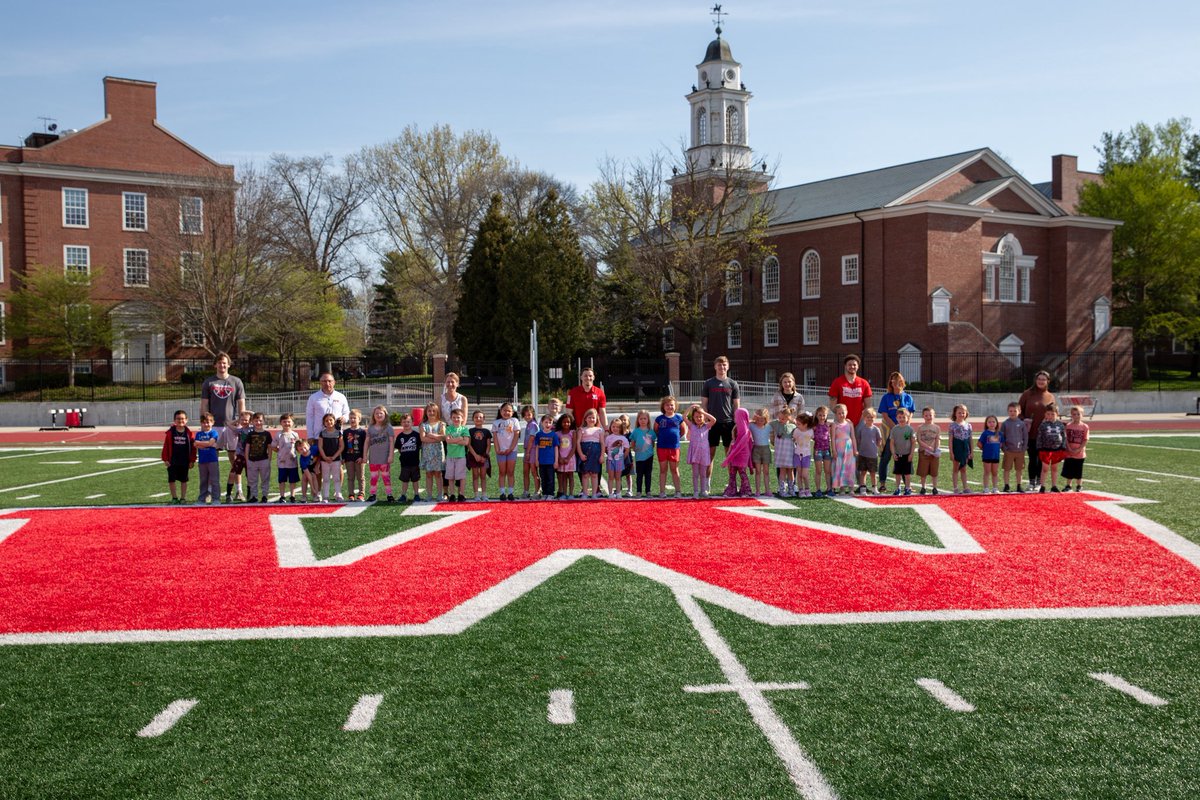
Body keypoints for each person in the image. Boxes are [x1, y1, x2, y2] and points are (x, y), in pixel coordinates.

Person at [701, 355, 741, 483]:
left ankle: (732, 483)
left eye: (724, 365)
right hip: (712, 424)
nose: (722, 367)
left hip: (728, 424)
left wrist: (737, 423)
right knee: (710, 454)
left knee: (729, 455)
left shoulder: (733, 384)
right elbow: (704, 404)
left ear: (728, 366)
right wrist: (705, 420)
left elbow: (736, 405)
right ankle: (707, 484)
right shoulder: (708, 383)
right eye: (719, 364)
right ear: (715, 367)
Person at [875, 372, 915, 492]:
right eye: (893, 380)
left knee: (905, 456)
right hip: (889, 430)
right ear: (890, 383)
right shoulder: (886, 397)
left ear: (902, 381)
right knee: (886, 456)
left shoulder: (908, 397)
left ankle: (907, 485)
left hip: (905, 430)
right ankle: (882, 483)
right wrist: (896, 428)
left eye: (898, 380)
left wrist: (906, 427)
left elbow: (911, 413)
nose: (896, 382)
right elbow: (885, 414)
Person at [1019, 370, 1056, 491]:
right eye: (1039, 379)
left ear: (1047, 381)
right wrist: (1024, 420)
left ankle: (1040, 482)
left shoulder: (1050, 396)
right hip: (1031, 433)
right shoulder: (1027, 394)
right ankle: (1031, 482)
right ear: (1035, 380)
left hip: (1045, 434)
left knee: (1042, 459)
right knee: (1032, 458)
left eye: (1043, 379)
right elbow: (1019, 411)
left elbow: (1054, 413)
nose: (1041, 381)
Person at [199, 352, 246, 436]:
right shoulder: (208, 382)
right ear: (215, 365)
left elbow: (241, 404)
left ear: (229, 365)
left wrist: (240, 421)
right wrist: (204, 423)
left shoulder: (237, 381)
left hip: (232, 424)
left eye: (224, 363)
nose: (222, 365)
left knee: (233, 449)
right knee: (214, 449)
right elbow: (204, 404)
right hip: (213, 425)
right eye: (219, 363)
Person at [654, 396, 686, 498]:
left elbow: (683, 431)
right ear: (663, 406)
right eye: (667, 405)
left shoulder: (679, 418)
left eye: (671, 404)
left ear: (675, 406)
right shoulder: (659, 419)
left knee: (674, 470)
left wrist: (675, 438)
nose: (669, 407)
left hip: (674, 448)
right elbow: (656, 430)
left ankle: (678, 491)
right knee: (663, 470)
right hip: (662, 447)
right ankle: (662, 492)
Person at [162, 409, 195, 504]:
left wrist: (192, 460)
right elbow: (166, 446)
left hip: (184, 461)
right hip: (172, 460)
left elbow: (193, 448)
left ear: (186, 420)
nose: (180, 421)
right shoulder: (170, 433)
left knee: (184, 480)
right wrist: (165, 459)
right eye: (178, 419)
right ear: (174, 420)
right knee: (171, 479)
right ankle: (174, 498)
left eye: (182, 419)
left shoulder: (189, 433)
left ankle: (183, 498)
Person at [828, 354, 872, 425]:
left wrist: (863, 418)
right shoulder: (837, 382)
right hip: (841, 422)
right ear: (845, 366)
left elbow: (868, 405)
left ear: (858, 366)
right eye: (849, 365)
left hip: (860, 422)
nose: (852, 366)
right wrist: (840, 417)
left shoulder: (864, 383)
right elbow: (832, 405)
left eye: (854, 365)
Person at [684, 403, 717, 498]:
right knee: (695, 474)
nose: (698, 418)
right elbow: (684, 417)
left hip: (703, 453)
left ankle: (703, 491)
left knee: (703, 473)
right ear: (693, 418)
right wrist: (690, 408)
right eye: (696, 417)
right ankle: (695, 491)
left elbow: (714, 420)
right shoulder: (691, 426)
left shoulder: (706, 426)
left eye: (700, 416)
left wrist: (703, 412)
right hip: (695, 453)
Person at [305, 373, 350, 442]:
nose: (327, 383)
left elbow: (346, 413)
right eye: (324, 381)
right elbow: (309, 417)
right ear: (320, 382)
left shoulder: (341, 397)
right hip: (318, 436)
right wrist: (310, 435)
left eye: (329, 381)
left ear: (334, 382)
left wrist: (344, 418)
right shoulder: (313, 398)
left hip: (337, 436)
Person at [492, 402, 522, 501]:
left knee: (510, 472)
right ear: (500, 411)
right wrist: (497, 450)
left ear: (512, 412)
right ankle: (502, 493)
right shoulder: (496, 423)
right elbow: (495, 438)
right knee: (502, 472)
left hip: (512, 451)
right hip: (500, 451)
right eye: (504, 410)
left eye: (509, 411)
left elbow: (516, 436)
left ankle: (510, 492)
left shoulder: (515, 421)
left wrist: (510, 448)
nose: (506, 412)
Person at [721, 407, 753, 498]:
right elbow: (734, 441)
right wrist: (730, 453)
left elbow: (741, 445)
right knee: (732, 473)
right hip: (734, 453)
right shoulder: (736, 427)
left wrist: (728, 458)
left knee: (742, 472)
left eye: (737, 416)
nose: (735, 418)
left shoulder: (745, 430)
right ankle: (731, 490)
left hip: (741, 454)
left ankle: (746, 491)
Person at [365, 405, 395, 503]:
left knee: (386, 477)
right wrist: (365, 455)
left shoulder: (388, 427)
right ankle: (372, 494)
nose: (378, 415)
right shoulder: (370, 428)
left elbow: (391, 442)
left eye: (381, 413)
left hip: (384, 458)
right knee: (373, 477)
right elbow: (367, 442)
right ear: (373, 415)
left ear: (385, 414)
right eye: (376, 413)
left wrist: (391, 455)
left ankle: (389, 494)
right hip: (373, 458)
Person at [243, 412, 274, 503]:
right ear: (252, 422)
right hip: (252, 460)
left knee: (265, 478)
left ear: (263, 421)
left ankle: (264, 495)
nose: (258, 422)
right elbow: (247, 447)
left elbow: (269, 447)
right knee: (252, 480)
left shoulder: (267, 434)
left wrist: (269, 459)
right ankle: (254, 496)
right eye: (256, 421)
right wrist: (247, 459)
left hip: (264, 459)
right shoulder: (250, 434)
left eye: (260, 420)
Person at [221, 409, 250, 503]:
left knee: (250, 476)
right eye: (242, 420)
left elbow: (260, 418)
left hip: (250, 457)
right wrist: (238, 420)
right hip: (241, 456)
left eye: (246, 420)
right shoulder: (239, 430)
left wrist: (248, 412)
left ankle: (250, 495)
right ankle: (228, 495)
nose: (244, 422)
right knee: (232, 473)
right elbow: (228, 424)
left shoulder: (253, 428)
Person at [566, 368, 608, 436]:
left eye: (590, 376)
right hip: (578, 430)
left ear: (593, 377)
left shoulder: (600, 393)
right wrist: (574, 427)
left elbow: (602, 412)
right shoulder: (573, 392)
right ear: (581, 377)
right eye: (585, 375)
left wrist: (606, 429)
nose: (588, 378)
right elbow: (569, 412)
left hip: (595, 431)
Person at [1036, 403, 1067, 492]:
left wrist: (1063, 447)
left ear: (1057, 414)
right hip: (1045, 450)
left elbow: (1063, 436)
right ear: (1045, 414)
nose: (1050, 416)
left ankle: (1054, 486)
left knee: (1054, 468)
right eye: (1048, 414)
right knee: (1045, 468)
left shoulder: (1061, 425)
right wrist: (1039, 447)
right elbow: (1039, 437)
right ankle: (1042, 486)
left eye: (1053, 414)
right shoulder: (1043, 425)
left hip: (1057, 450)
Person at [419, 403, 446, 503]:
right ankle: (429, 495)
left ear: (437, 412)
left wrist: (430, 435)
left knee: (438, 473)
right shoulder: (423, 425)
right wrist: (436, 437)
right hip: (427, 452)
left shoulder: (441, 424)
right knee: (429, 474)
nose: (431, 413)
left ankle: (440, 494)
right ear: (426, 412)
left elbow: (443, 437)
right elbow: (423, 438)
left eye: (433, 411)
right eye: (429, 411)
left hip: (438, 452)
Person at [999, 402, 1029, 493]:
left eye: (1014, 411)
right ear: (1008, 412)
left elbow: (1025, 436)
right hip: (1009, 451)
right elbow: (1001, 436)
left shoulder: (1022, 424)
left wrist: (1024, 448)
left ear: (1019, 411)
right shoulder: (1005, 424)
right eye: (1010, 411)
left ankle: (1019, 485)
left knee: (1019, 469)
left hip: (1020, 451)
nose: (1012, 413)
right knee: (1007, 469)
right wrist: (1004, 448)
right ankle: (1006, 485)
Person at [576, 408, 605, 499]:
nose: (591, 419)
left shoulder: (599, 430)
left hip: (596, 454)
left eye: (593, 418)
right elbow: (578, 443)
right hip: (585, 453)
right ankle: (585, 493)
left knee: (594, 474)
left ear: (596, 419)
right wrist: (580, 454)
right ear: (585, 418)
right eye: (589, 417)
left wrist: (602, 456)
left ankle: (594, 494)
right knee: (585, 474)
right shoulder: (581, 429)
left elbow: (602, 443)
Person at [273, 412, 301, 503]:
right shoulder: (278, 434)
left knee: (292, 480)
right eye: (284, 422)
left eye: (289, 421)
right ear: (281, 423)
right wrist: (279, 451)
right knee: (282, 480)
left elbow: (298, 446)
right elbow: (273, 446)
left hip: (292, 462)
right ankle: (282, 496)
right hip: (282, 462)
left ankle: (292, 496)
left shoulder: (295, 434)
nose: (287, 424)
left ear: (292, 423)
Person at [830, 403, 858, 496]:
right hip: (839, 449)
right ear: (836, 414)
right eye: (839, 413)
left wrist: (855, 449)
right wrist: (834, 450)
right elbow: (833, 438)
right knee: (840, 468)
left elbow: (853, 437)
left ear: (846, 412)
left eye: (843, 412)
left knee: (850, 468)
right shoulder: (834, 425)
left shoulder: (849, 423)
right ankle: (841, 488)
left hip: (849, 449)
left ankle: (851, 488)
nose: (841, 415)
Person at [194, 412, 221, 505]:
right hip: (202, 460)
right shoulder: (198, 434)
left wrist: (200, 443)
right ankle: (202, 499)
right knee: (203, 480)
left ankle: (216, 499)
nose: (206, 424)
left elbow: (210, 443)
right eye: (204, 422)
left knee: (214, 480)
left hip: (212, 460)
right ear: (201, 423)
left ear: (212, 423)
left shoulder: (214, 432)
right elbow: (195, 444)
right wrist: (207, 444)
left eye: (208, 422)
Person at [393, 413, 421, 504]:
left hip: (415, 462)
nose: (406, 423)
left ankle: (416, 494)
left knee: (415, 480)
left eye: (408, 422)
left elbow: (420, 447)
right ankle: (403, 495)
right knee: (404, 480)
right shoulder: (400, 436)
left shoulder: (417, 435)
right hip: (404, 463)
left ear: (412, 423)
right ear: (401, 423)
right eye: (404, 422)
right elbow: (399, 449)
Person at [444, 408, 470, 503]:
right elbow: (448, 440)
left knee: (461, 476)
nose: (456, 419)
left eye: (458, 417)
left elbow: (466, 442)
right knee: (450, 477)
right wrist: (459, 438)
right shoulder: (448, 428)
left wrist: (454, 439)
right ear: (451, 418)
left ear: (462, 418)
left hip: (460, 456)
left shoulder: (464, 429)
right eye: (454, 417)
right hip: (450, 456)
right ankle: (452, 494)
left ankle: (461, 494)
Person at [317, 412, 344, 503]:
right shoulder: (322, 433)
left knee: (336, 478)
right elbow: (320, 446)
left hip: (335, 460)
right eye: (326, 421)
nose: (329, 422)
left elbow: (341, 446)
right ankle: (325, 496)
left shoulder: (338, 433)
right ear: (324, 423)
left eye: (331, 420)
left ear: (334, 421)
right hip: (325, 460)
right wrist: (324, 457)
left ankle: (338, 494)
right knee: (326, 478)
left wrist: (334, 456)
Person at [855, 407, 883, 495]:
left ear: (874, 418)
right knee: (863, 472)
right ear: (864, 418)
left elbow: (879, 439)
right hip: (863, 454)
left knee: (873, 473)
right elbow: (858, 439)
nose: (870, 419)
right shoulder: (861, 429)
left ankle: (874, 488)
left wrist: (877, 445)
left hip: (873, 455)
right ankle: (862, 487)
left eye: (872, 417)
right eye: (868, 417)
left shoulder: (876, 429)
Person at [771, 406, 797, 498]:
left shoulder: (793, 426)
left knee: (791, 471)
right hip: (781, 452)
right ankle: (782, 490)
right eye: (780, 417)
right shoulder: (776, 424)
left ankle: (791, 489)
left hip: (790, 451)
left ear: (788, 418)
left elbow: (797, 437)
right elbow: (766, 423)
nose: (780, 420)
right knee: (782, 470)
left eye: (783, 418)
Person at [1063, 405, 1090, 492]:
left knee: (1078, 471)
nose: (1076, 416)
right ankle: (1068, 485)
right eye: (1074, 414)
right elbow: (1066, 438)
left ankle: (1079, 485)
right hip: (1069, 453)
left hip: (1080, 453)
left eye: (1078, 414)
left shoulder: (1085, 426)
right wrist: (1069, 448)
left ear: (1082, 415)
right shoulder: (1068, 426)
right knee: (1069, 470)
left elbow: (1086, 439)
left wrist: (1079, 449)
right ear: (1071, 415)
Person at [630, 410, 656, 499]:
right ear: (638, 420)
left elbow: (653, 443)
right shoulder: (635, 431)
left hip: (649, 456)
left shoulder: (651, 431)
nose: (643, 420)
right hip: (639, 457)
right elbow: (632, 443)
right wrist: (635, 449)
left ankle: (648, 491)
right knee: (639, 475)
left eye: (645, 418)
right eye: (641, 419)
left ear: (648, 420)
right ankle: (638, 491)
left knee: (648, 474)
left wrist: (649, 451)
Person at [889, 408, 915, 496]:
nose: (902, 419)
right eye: (900, 417)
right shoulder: (894, 429)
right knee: (898, 473)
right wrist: (893, 453)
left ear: (907, 418)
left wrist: (911, 453)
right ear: (896, 418)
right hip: (898, 455)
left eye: (904, 417)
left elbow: (913, 442)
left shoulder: (909, 429)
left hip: (907, 455)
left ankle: (907, 488)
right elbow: (892, 443)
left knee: (907, 474)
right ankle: (898, 488)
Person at [342, 409, 367, 502]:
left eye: (354, 418)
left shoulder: (362, 432)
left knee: (361, 477)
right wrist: (343, 457)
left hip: (359, 458)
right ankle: (351, 494)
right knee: (350, 477)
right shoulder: (346, 432)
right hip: (349, 458)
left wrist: (363, 457)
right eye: (351, 418)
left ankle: (361, 494)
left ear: (359, 419)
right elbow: (343, 446)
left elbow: (365, 445)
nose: (352, 420)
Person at [915, 406, 942, 496]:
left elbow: (938, 439)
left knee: (934, 472)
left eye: (930, 415)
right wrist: (927, 448)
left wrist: (935, 449)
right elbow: (919, 440)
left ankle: (935, 488)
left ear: (934, 415)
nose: (928, 417)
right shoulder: (920, 427)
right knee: (923, 472)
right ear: (923, 416)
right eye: (926, 415)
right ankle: (923, 487)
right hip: (923, 452)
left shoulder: (937, 427)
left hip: (934, 453)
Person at [468, 410, 492, 502]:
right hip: (474, 456)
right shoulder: (470, 431)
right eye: (476, 417)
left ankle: (484, 494)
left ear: (484, 419)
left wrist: (484, 456)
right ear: (473, 419)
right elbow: (469, 445)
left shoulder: (486, 431)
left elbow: (489, 445)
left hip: (484, 457)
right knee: (475, 475)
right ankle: (476, 495)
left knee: (483, 475)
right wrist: (475, 455)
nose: (478, 419)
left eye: (480, 417)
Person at [533, 415, 559, 499]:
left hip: (551, 461)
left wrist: (556, 461)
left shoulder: (554, 435)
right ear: (542, 423)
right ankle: (544, 493)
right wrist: (536, 459)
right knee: (543, 478)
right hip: (542, 461)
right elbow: (537, 447)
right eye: (546, 422)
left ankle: (550, 494)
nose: (548, 424)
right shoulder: (539, 434)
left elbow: (556, 448)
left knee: (550, 478)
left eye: (550, 422)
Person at [949, 404, 973, 495]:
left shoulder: (969, 425)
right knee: (955, 469)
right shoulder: (952, 426)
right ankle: (955, 487)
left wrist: (971, 451)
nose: (961, 414)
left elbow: (970, 439)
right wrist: (951, 452)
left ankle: (965, 487)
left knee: (963, 468)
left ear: (966, 413)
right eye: (959, 412)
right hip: (957, 448)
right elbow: (950, 440)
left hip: (965, 449)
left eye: (963, 412)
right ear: (955, 413)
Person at [604, 418, 630, 501]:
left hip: (619, 460)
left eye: (617, 427)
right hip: (610, 460)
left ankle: (618, 493)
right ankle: (610, 493)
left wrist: (622, 457)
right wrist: (609, 455)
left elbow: (627, 449)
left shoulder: (623, 438)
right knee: (611, 477)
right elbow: (605, 448)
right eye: (613, 426)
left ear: (621, 428)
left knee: (618, 477)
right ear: (610, 427)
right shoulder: (608, 438)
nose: (615, 428)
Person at [750, 408, 773, 497]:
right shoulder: (752, 425)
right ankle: (758, 490)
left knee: (766, 471)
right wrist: (753, 418)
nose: (760, 421)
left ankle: (767, 490)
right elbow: (745, 423)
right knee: (758, 471)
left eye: (762, 420)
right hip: (756, 449)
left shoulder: (769, 426)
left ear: (766, 419)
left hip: (766, 449)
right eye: (758, 419)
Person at [555, 413, 578, 500]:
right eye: (564, 422)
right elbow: (557, 447)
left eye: (568, 422)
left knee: (570, 476)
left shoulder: (573, 433)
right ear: (561, 423)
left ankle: (571, 493)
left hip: (570, 458)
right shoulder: (558, 434)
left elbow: (574, 446)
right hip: (561, 458)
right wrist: (560, 458)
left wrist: (568, 457)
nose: (566, 424)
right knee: (563, 476)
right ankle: (564, 493)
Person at [439, 373, 469, 438]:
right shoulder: (440, 399)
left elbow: (464, 418)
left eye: (452, 382)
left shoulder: (463, 399)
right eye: (448, 382)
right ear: (445, 383)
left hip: (459, 430)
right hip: (445, 430)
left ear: (457, 384)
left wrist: (459, 432)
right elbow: (439, 416)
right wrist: (445, 431)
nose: (450, 384)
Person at [811, 406, 832, 497]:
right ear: (816, 415)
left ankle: (829, 488)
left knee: (828, 471)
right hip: (817, 450)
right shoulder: (814, 427)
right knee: (818, 470)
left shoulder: (828, 426)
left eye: (824, 415)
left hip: (827, 450)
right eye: (820, 415)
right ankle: (818, 489)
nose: (822, 417)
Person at [519, 405, 540, 499]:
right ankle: (526, 491)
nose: (527, 416)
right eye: (525, 415)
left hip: (532, 450)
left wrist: (527, 453)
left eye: (529, 414)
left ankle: (537, 491)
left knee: (534, 471)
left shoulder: (533, 425)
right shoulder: (528, 424)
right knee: (525, 471)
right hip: (527, 449)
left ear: (533, 414)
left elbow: (532, 439)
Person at [978, 415, 1002, 494]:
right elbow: (979, 443)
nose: (991, 423)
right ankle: (986, 488)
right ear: (986, 424)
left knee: (995, 472)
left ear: (996, 423)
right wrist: (985, 449)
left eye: (993, 422)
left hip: (996, 456)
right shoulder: (985, 433)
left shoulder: (999, 433)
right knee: (987, 472)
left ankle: (995, 488)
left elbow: (1001, 444)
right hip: (987, 456)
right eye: (989, 422)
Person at [793, 413, 815, 498]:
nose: (797, 425)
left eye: (799, 424)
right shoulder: (796, 431)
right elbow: (794, 438)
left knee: (804, 475)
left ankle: (807, 489)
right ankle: (801, 490)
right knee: (799, 474)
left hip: (806, 455)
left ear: (805, 424)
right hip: (797, 454)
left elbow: (813, 437)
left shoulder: (810, 431)